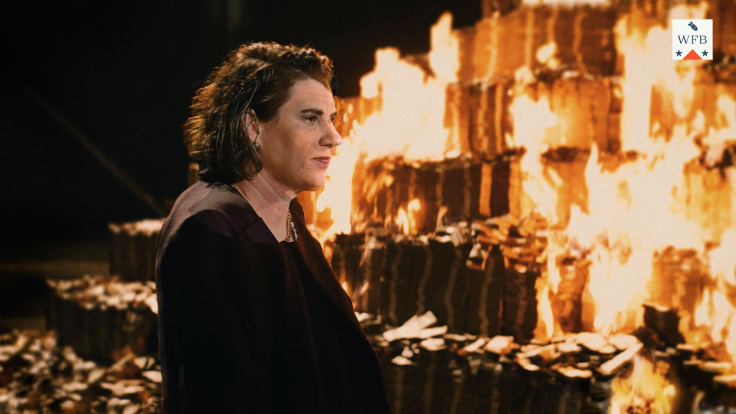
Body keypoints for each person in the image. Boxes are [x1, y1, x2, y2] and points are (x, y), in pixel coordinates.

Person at [155, 42, 391, 414]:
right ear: (252, 126)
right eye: (311, 118)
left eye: (332, 119)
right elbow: (228, 396)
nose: (334, 137)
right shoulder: (213, 231)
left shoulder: (281, 211)